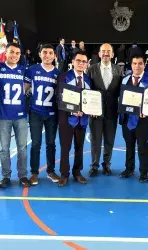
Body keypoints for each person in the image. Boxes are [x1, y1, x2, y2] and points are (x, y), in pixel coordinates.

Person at [0, 42, 31, 188]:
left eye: (17, 53)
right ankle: (6, 176)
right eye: (12, 52)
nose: (14, 55)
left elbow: (29, 86)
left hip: (20, 115)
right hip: (3, 115)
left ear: (20, 56)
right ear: (5, 53)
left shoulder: (23, 70)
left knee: (22, 148)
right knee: (4, 149)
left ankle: (22, 175)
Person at [24, 44, 60, 185]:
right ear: (40, 54)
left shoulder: (58, 73)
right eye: (45, 52)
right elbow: (24, 89)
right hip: (36, 112)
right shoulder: (32, 70)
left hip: (52, 113)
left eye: (50, 53)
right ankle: (34, 172)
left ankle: (50, 171)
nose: (47, 55)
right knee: (36, 143)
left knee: (51, 143)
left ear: (54, 56)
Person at [87, 43, 122, 177]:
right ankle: (94, 165)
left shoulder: (118, 70)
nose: (106, 53)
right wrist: (89, 108)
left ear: (112, 54)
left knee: (109, 140)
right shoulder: (91, 69)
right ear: (99, 54)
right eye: (103, 51)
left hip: (112, 112)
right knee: (95, 140)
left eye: (108, 51)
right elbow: (87, 90)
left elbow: (120, 91)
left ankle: (106, 165)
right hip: (95, 112)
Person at [57, 51, 90, 187]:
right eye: (78, 61)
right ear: (73, 62)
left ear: (87, 64)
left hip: (82, 119)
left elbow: (90, 99)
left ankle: (77, 172)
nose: (81, 63)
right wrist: (72, 109)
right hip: (66, 118)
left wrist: (87, 110)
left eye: (84, 61)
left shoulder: (88, 79)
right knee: (65, 147)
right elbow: (60, 97)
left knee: (79, 147)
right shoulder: (64, 77)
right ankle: (64, 174)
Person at [119, 55, 148, 182]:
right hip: (127, 119)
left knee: (142, 146)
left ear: (144, 65)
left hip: (142, 120)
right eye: (134, 63)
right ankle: (129, 169)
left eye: (140, 63)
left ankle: (144, 172)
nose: (137, 66)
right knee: (129, 145)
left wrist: (147, 111)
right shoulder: (124, 79)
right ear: (131, 65)